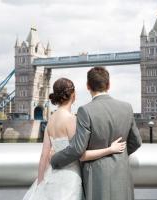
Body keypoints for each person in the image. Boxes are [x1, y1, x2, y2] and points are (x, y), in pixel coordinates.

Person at [22, 77, 127, 200]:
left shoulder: (51, 119)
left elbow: (44, 156)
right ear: (73, 95)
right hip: (69, 179)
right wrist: (110, 149)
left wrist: (40, 183)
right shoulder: (71, 119)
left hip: (51, 176)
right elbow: (80, 154)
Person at [50, 67, 142, 200]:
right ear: (108, 85)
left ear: (88, 86)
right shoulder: (127, 107)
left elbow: (77, 149)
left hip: (96, 176)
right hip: (122, 175)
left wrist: (55, 159)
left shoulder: (85, 111)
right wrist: (118, 154)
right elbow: (136, 142)